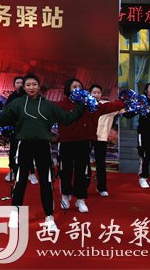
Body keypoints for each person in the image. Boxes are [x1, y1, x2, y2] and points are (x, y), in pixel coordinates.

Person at [0, 73, 84, 232]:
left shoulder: (48, 105)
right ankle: (15, 214)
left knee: (46, 182)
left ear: (39, 86)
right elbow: (2, 120)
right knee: (20, 181)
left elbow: (67, 119)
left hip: (43, 146)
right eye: (28, 85)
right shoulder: (17, 103)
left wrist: (82, 106)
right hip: (23, 145)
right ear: (24, 87)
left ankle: (49, 217)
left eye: (34, 84)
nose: (31, 87)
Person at [56, 79, 124, 213]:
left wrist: (124, 101)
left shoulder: (89, 104)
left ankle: (80, 199)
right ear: (68, 89)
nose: (77, 88)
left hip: (84, 141)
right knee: (66, 170)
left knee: (82, 171)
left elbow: (108, 106)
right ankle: (65, 196)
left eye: (79, 86)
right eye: (74, 86)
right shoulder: (61, 104)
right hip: (66, 142)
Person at [89, 84, 124, 197]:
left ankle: (102, 187)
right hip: (87, 137)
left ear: (101, 94)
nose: (96, 95)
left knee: (100, 163)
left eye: (98, 93)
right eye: (94, 92)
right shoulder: (85, 105)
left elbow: (122, 109)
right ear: (90, 93)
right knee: (83, 163)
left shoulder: (107, 105)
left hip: (101, 138)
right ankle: (82, 186)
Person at [4, 76, 37, 185]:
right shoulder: (12, 97)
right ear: (14, 85)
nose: (19, 84)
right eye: (17, 83)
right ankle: (12, 171)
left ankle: (31, 173)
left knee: (29, 151)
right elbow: (6, 112)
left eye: (21, 83)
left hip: (28, 130)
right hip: (14, 129)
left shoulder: (29, 96)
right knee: (13, 151)